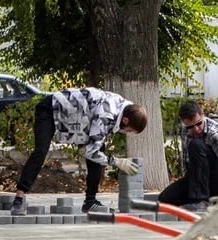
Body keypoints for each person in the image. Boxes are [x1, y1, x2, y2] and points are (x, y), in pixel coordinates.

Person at [10, 88, 148, 216]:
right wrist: (116, 161)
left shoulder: (127, 108)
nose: (126, 133)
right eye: (129, 130)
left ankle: (90, 202)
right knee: (41, 151)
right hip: (50, 109)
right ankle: (19, 199)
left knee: (98, 153)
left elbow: (93, 146)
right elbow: (88, 151)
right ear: (125, 120)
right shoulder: (106, 115)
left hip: (76, 118)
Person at [158, 100, 218, 212]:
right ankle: (205, 202)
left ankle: (200, 202)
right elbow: (188, 163)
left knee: (196, 144)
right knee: (165, 198)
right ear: (183, 123)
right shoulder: (186, 131)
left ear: (202, 114)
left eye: (198, 123)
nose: (196, 129)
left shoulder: (215, 132)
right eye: (190, 126)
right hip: (200, 180)